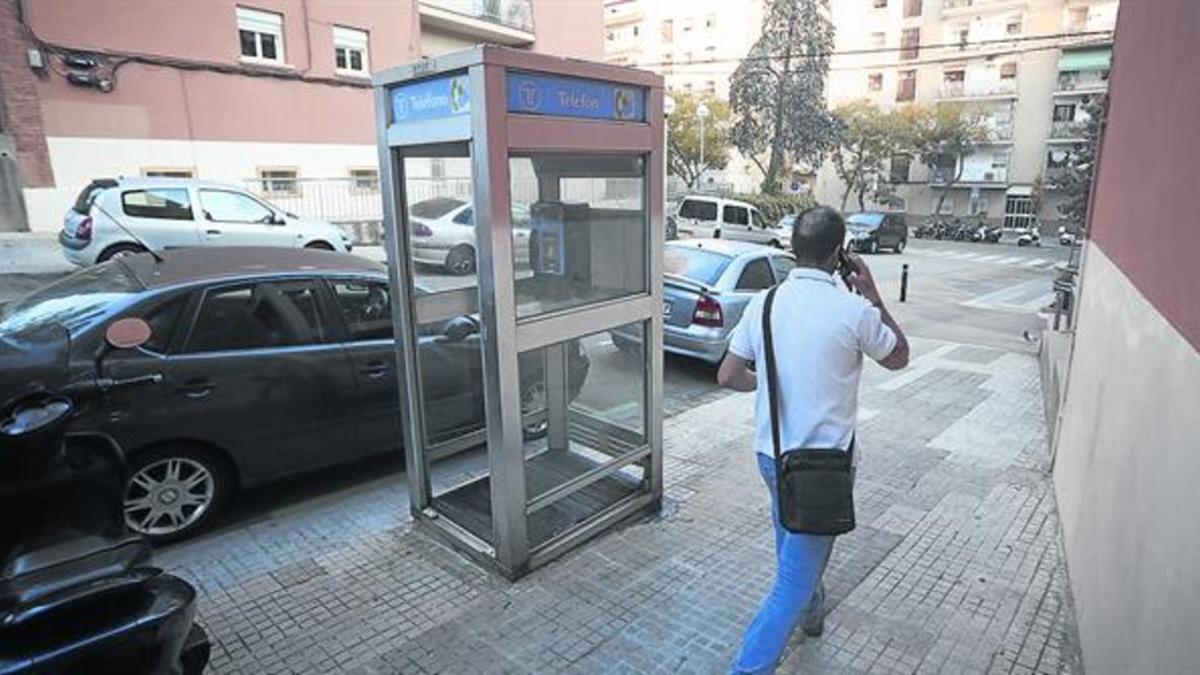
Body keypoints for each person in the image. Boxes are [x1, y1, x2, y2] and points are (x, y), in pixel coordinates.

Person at [717, 206, 910, 674]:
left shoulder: (764, 302)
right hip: (824, 469)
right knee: (791, 582)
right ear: (840, 255)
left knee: (791, 534)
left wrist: (765, 386)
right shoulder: (854, 311)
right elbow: (899, 356)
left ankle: (812, 611)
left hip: (772, 456)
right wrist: (874, 296)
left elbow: (728, 374)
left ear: (793, 248)